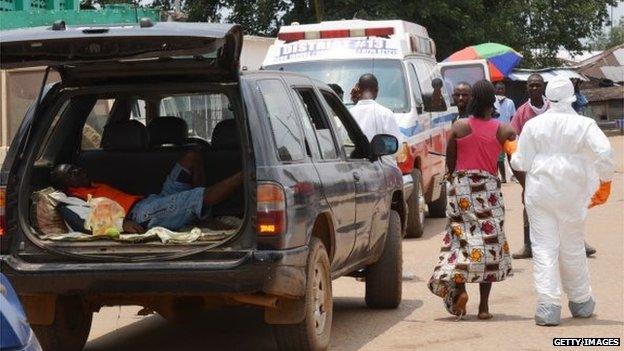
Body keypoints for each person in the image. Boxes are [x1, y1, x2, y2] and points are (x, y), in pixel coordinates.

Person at [510, 76, 614, 326]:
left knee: (544, 248)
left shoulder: (534, 125)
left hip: (540, 192)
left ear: (548, 97)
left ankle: (549, 306)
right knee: (573, 246)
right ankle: (581, 301)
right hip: (573, 192)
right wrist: (605, 181)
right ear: (571, 97)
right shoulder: (585, 124)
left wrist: (512, 151)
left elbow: (521, 162)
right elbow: (604, 153)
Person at [428, 80, 516, 320]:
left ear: (473, 100)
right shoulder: (502, 128)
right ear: (492, 102)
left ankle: (461, 291)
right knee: (487, 244)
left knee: (461, 242)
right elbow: (513, 140)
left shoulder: (459, 126)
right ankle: (484, 307)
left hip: (462, 191)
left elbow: (451, 164)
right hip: (488, 191)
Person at [510, 74, 596, 259]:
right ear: (527, 88)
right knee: (529, 202)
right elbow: (513, 138)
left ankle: (579, 241)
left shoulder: (557, 107)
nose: (534, 88)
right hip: (534, 168)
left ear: (544, 88)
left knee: (570, 201)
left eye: (538, 85)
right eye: (531, 86)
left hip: (561, 165)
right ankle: (528, 245)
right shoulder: (521, 112)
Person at [51, 151, 243, 233]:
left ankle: (200, 215)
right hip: (141, 215)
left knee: (191, 157)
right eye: (70, 172)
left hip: (151, 201)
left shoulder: (92, 184)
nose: (77, 170)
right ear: (66, 185)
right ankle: (247, 174)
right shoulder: (73, 199)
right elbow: (84, 220)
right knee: (194, 198)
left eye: (75, 167)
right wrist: (121, 223)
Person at [348, 73, 404, 143]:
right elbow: (398, 144)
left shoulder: (348, 114)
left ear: (358, 89)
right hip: (380, 154)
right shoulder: (386, 114)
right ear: (377, 90)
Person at [494, 82, 516, 183]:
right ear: (495, 90)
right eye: (498, 89)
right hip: (496, 133)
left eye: (502, 89)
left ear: (505, 90)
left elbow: (513, 117)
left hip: (508, 132)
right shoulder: (492, 101)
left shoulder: (510, 102)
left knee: (511, 155)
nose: (500, 91)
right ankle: (502, 177)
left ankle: (515, 175)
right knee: (499, 157)